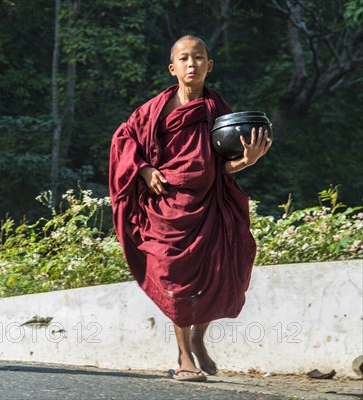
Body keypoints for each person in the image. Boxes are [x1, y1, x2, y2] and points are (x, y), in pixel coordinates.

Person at [109, 35, 271, 382]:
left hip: (209, 204)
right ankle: (184, 356)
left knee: (219, 268)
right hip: (168, 205)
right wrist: (145, 169)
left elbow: (222, 167)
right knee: (174, 276)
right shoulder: (154, 111)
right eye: (184, 58)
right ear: (173, 68)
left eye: (198, 58)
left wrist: (247, 160)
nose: (192, 64)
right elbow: (124, 140)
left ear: (209, 65)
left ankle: (198, 337)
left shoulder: (217, 109)